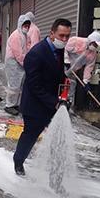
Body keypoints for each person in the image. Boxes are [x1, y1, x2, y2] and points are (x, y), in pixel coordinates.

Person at [12, 18, 72, 176]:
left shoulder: (58, 49)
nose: (64, 39)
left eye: (67, 36)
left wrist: (64, 85)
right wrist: (55, 102)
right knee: (30, 136)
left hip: (52, 103)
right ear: (52, 33)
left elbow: (55, 73)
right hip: (35, 105)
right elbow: (34, 85)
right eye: (61, 35)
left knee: (58, 137)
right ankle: (18, 162)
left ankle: (56, 173)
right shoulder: (36, 53)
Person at [3, 14, 34, 115]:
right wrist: (26, 64)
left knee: (20, 85)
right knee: (14, 85)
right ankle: (9, 105)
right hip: (13, 62)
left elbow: (28, 49)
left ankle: (16, 104)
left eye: (28, 26)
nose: (27, 27)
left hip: (21, 62)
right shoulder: (15, 36)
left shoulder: (26, 36)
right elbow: (18, 54)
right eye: (25, 25)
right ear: (20, 24)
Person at [64, 30, 100, 99]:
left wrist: (86, 81)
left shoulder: (93, 54)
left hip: (73, 71)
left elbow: (89, 67)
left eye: (97, 45)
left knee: (72, 85)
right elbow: (64, 49)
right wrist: (66, 60)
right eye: (95, 44)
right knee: (58, 84)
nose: (95, 46)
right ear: (91, 40)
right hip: (63, 66)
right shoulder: (75, 41)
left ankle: (67, 104)